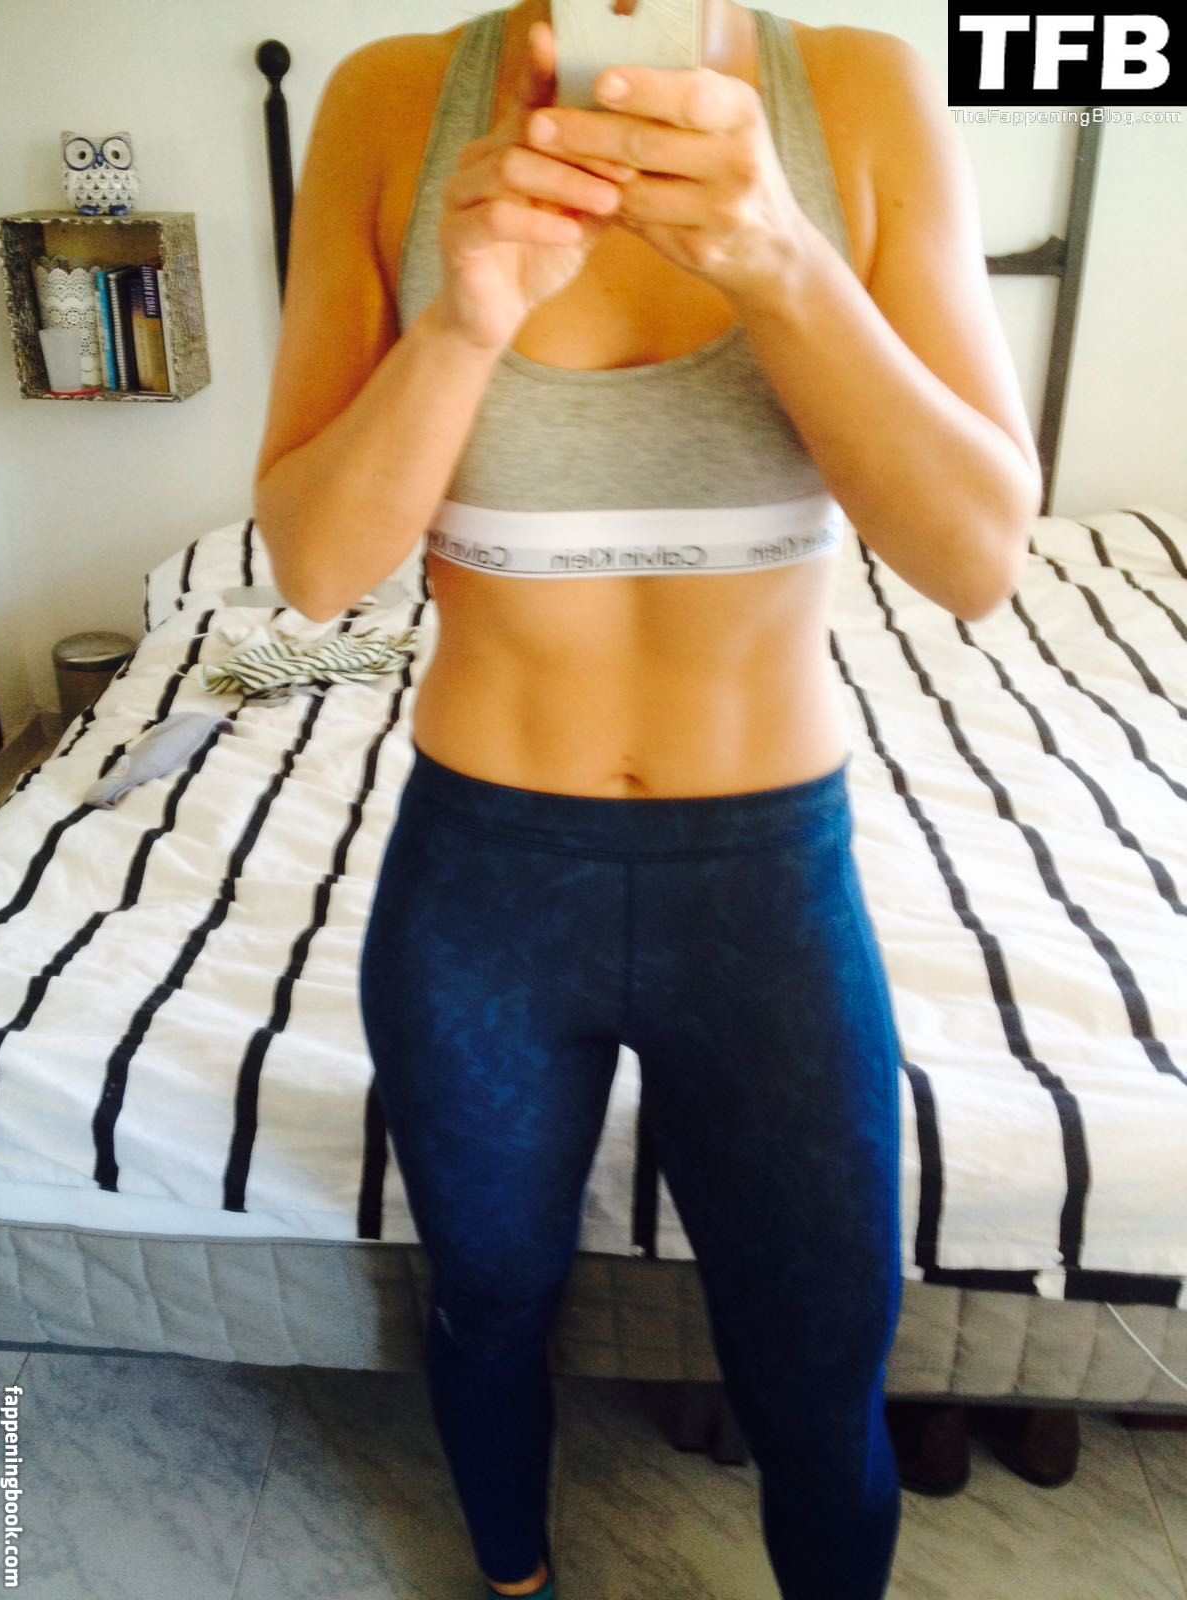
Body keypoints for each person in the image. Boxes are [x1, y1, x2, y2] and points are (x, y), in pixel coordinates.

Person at [253, 2, 1042, 1595]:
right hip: (484, 880)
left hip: (763, 881)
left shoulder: (862, 93)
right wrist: (466, 320)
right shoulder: (391, 101)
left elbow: (977, 562)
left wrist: (780, 260)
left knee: (819, 1347)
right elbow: (319, 570)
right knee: (488, 1295)